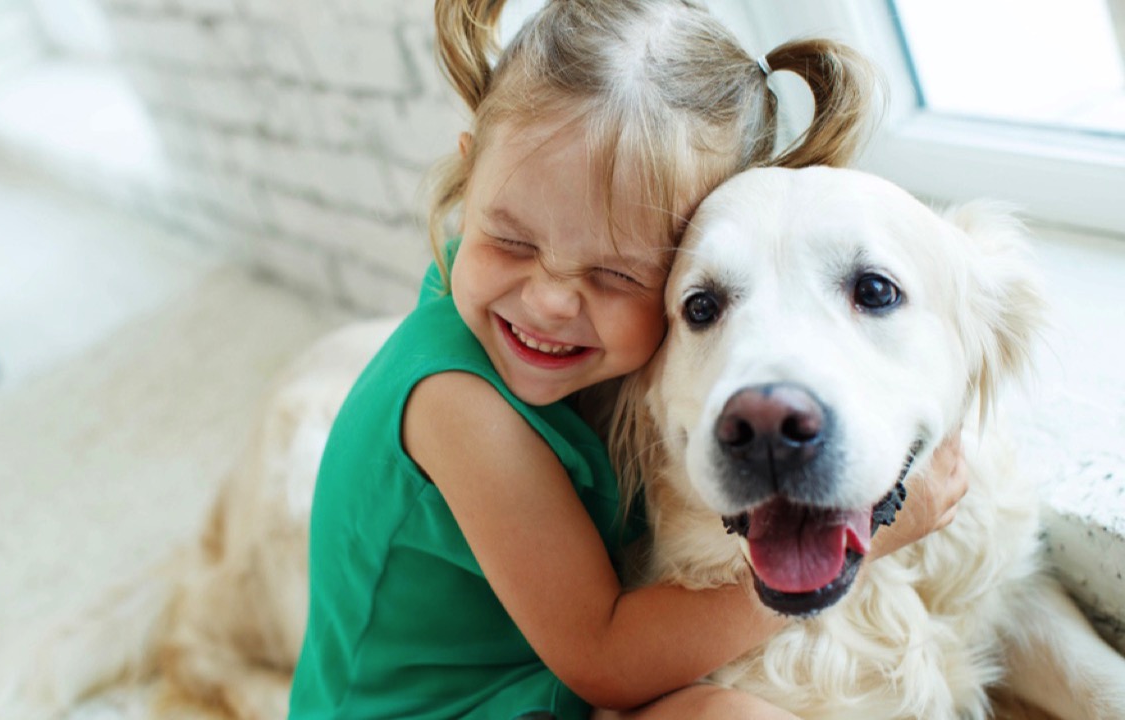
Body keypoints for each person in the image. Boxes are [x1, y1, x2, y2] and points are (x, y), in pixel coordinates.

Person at [288, 0, 966, 718]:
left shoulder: (561, 317)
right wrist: (878, 534)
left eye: (615, 275)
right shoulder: (461, 410)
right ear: (469, 178)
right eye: (510, 242)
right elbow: (605, 660)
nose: (548, 300)